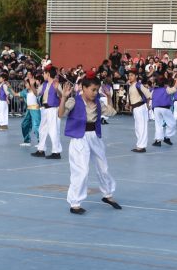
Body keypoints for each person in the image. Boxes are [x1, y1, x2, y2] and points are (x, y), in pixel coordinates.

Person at [60, 75, 120, 215]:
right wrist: (63, 97)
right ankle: (75, 203)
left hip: (95, 136)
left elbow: (112, 112)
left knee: (103, 167)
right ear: (84, 88)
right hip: (79, 138)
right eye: (93, 90)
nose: (95, 93)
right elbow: (61, 113)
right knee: (81, 171)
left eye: (97, 90)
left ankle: (108, 194)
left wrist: (109, 97)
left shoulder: (98, 102)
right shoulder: (74, 101)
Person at [33, 68, 63, 159]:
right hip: (45, 109)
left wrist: (57, 88)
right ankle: (41, 149)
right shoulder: (44, 84)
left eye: (44, 73)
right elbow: (37, 94)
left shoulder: (56, 84)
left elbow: (62, 95)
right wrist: (31, 85)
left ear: (48, 74)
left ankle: (56, 152)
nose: (43, 75)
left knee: (53, 130)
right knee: (42, 129)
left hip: (53, 109)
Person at [127, 70, 151, 153]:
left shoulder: (138, 85)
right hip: (136, 108)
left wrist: (147, 104)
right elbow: (131, 97)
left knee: (142, 127)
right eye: (129, 75)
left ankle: (141, 146)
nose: (130, 77)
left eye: (131, 75)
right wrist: (129, 104)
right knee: (138, 127)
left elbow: (148, 94)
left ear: (136, 76)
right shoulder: (131, 86)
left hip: (141, 107)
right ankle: (139, 145)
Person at [150, 76, 177, 147]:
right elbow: (174, 89)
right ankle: (167, 137)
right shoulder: (166, 89)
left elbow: (150, 97)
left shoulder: (154, 90)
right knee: (172, 123)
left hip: (156, 108)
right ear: (165, 83)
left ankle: (158, 140)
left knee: (158, 125)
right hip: (165, 108)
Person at [20, 75, 40, 147]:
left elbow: (36, 94)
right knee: (24, 124)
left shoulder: (37, 90)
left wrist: (32, 85)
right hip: (29, 110)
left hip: (35, 110)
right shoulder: (26, 92)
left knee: (36, 126)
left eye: (26, 83)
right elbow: (16, 94)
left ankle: (40, 141)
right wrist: (9, 88)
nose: (25, 85)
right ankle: (27, 140)